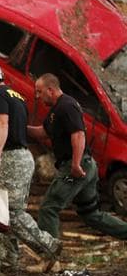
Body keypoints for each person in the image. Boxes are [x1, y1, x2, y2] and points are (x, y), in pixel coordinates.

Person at [0, 63, 61, 273]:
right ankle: (7, 262)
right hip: (24, 156)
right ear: (2, 77)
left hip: (12, 157)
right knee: (3, 212)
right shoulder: (17, 96)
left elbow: (2, 124)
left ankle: (48, 245)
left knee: (10, 212)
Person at [30, 73, 127, 242]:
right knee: (90, 214)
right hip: (85, 165)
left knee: (48, 208)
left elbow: (79, 135)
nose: (37, 96)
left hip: (76, 166)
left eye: (39, 92)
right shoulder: (56, 110)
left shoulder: (67, 106)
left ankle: (50, 256)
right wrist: (18, 127)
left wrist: (75, 164)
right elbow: (43, 132)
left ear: (50, 90)